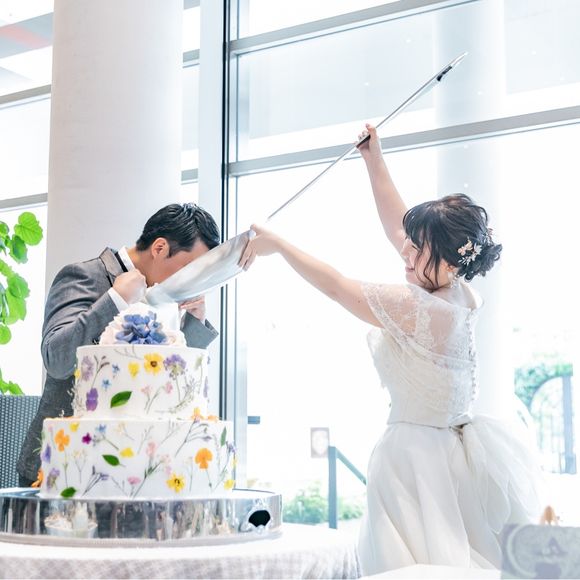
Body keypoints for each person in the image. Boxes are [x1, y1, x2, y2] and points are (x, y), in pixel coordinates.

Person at [240, 125, 545, 573]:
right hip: (446, 457)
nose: (406, 252)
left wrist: (280, 245)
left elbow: (338, 287)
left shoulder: (420, 308)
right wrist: (374, 159)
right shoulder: (460, 293)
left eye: (417, 249)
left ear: (450, 260)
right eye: (410, 243)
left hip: (413, 462)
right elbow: (398, 227)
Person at [17, 203, 220, 487]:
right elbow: (57, 360)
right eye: (189, 268)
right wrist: (114, 300)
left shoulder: (167, 297)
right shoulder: (83, 275)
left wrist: (194, 325)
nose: (191, 281)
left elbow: (168, 383)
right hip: (61, 466)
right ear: (160, 248)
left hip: (134, 471)